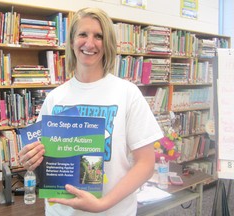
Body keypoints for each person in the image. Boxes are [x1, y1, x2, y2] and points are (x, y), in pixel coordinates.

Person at [18, 7, 163, 216]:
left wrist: (103, 204)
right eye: (83, 34)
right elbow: (42, 157)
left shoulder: (128, 93)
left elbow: (146, 163)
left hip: (112, 211)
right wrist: (30, 160)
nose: (89, 43)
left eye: (99, 36)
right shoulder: (55, 97)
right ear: (72, 40)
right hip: (60, 212)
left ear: (108, 43)